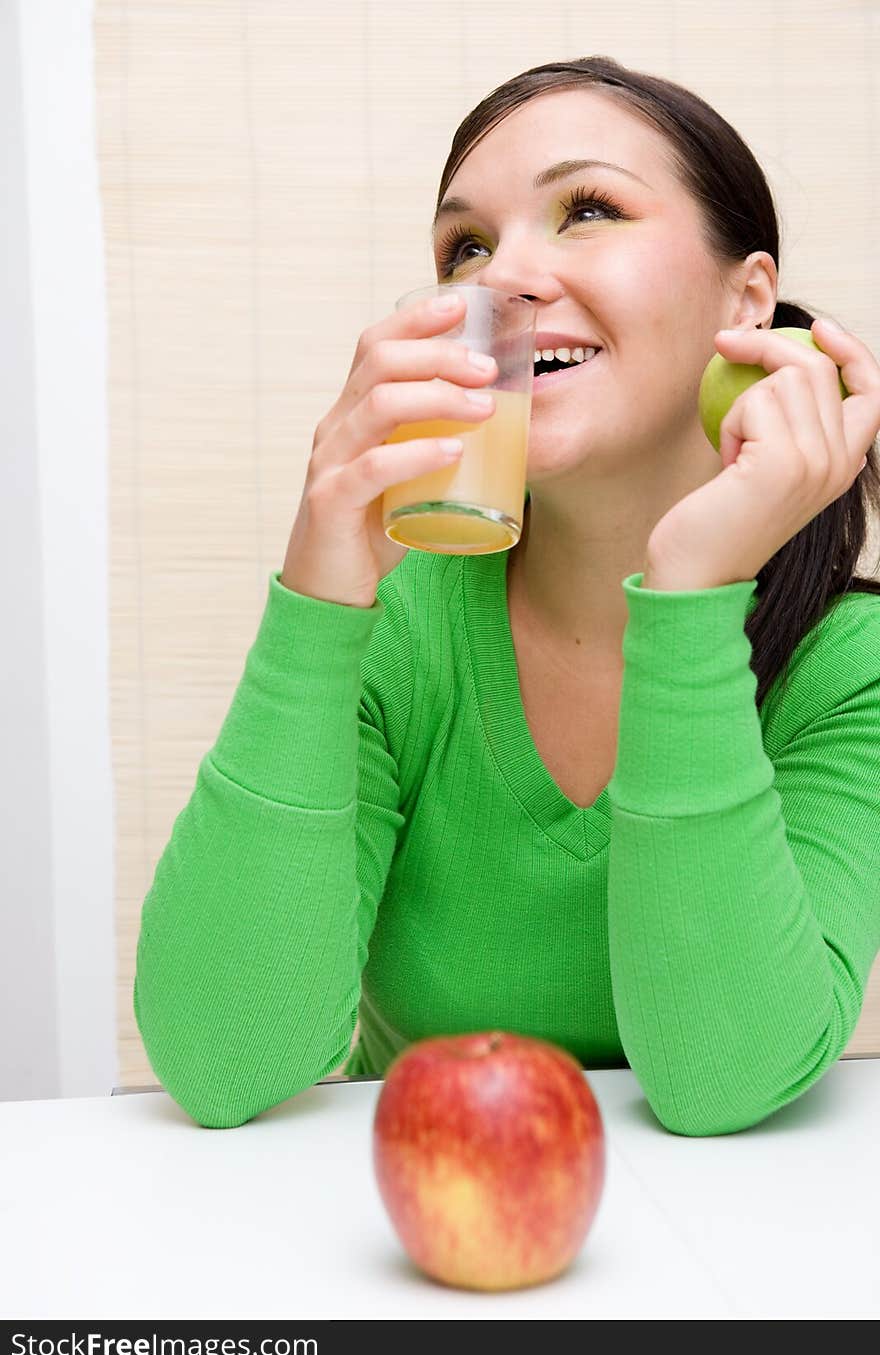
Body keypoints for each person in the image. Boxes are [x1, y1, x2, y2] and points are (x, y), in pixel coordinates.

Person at [133, 56, 880, 1136]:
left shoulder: (847, 667)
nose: (501, 278)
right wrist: (315, 598)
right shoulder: (398, 622)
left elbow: (723, 1078)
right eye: (465, 247)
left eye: (586, 210)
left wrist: (689, 594)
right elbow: (219, 1060)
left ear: (746, 297)